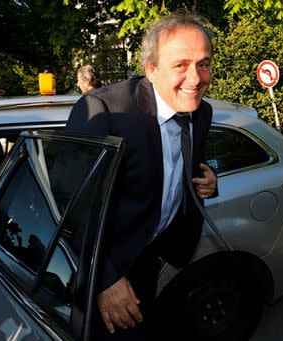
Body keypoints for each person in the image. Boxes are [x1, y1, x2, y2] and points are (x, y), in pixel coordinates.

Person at [66, 11, 217, 340]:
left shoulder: (201, 112)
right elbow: (70, 211)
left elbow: (188, 167)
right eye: (181, 65)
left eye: (203, 64)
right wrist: (104, 279)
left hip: (149, 259)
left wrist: (209, 183)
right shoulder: (102, 112)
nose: (196, 78)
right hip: (102, 268)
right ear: (151, 68)